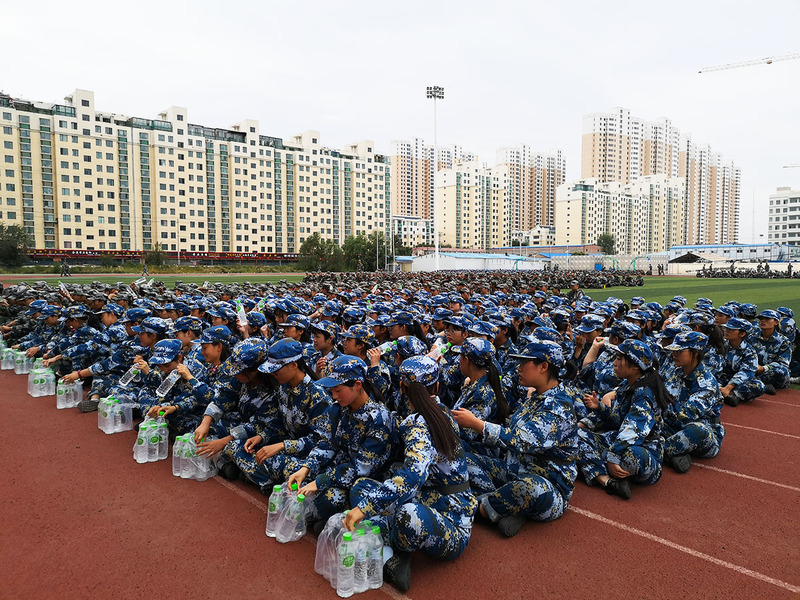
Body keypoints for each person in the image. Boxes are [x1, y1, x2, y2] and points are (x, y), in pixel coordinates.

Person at [346, 356, 477, 593]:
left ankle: (390, 553)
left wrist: (365, 508)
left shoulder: (420, 423)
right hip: (429, 500)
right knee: (362, 486)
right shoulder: (441, 411)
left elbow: (413, 476)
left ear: (402, 388)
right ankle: (386, 543)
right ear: (437, 386)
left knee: (408, 515)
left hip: (452, 523)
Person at [454, 340, 578, 539]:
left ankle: (477, 509)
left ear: (543, 366)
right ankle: (505, 509)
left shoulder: (558, 407)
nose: (519, 368)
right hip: (512, 469)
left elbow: (521, 440)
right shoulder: (538, 397)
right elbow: (513, 427)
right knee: (462, 461)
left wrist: (478, 424)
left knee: (529, 488)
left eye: (524, 363)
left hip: (547, 486)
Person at [286, 355, 396, 526]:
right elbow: (326, 444)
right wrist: (306, 468)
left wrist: (320, 481)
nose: (334, 396)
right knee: (293, 470)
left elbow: (363, 469)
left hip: (363, 481)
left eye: (338, 390)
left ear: (357, 385)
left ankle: (320, 516)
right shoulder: (339, 409)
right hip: (338, 471)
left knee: (333, 497)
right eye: (332, 391)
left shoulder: (378, 419)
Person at [577, 339, 669, 500]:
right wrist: (600, 407)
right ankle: (606, 481)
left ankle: (590, 463)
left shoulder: (645, 393)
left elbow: (633, 430)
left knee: (631, 456)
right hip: (619, 441)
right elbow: (617, 420)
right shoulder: (628, 384)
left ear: (635, 366)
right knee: (575, 436)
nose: (614, 362)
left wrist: (613, 456)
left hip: (644, 452)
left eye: (619, 359)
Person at [662, 331, 724, 474]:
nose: (674, 354)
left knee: (696, 430)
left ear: (695, 353)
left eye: (679, 351)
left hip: (701, 432)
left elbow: (685, 415)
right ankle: (671, 454)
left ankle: (659, 450)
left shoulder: (706, 383)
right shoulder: (676, 372)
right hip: (672, 425)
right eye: (673, 351)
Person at [718, 318, 763, 406]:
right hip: (719, 379)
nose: (726, 331)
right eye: (726, 328)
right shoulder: (720, 345)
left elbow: (747, 372)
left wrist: (728, 387)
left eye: (731, 329)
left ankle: (728, 394)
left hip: (735, 383)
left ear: (742, 334)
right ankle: (725, 395)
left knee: (758, 386)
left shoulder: (749, 351)